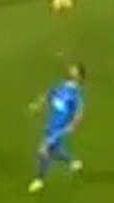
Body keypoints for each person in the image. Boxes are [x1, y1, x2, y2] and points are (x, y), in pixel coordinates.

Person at [28, 63, 86, 193]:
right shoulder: (61, 86)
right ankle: (72, 162)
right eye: (71, 69)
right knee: (55, 150)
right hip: (51, 124)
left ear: (80, 76)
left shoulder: (75, 95)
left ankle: (39, 180)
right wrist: (37, 105)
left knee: (43, 150)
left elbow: (79, 112)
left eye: (74, 70)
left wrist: (73, 124)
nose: (71, 71)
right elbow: (49, 95)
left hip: (60, 128)